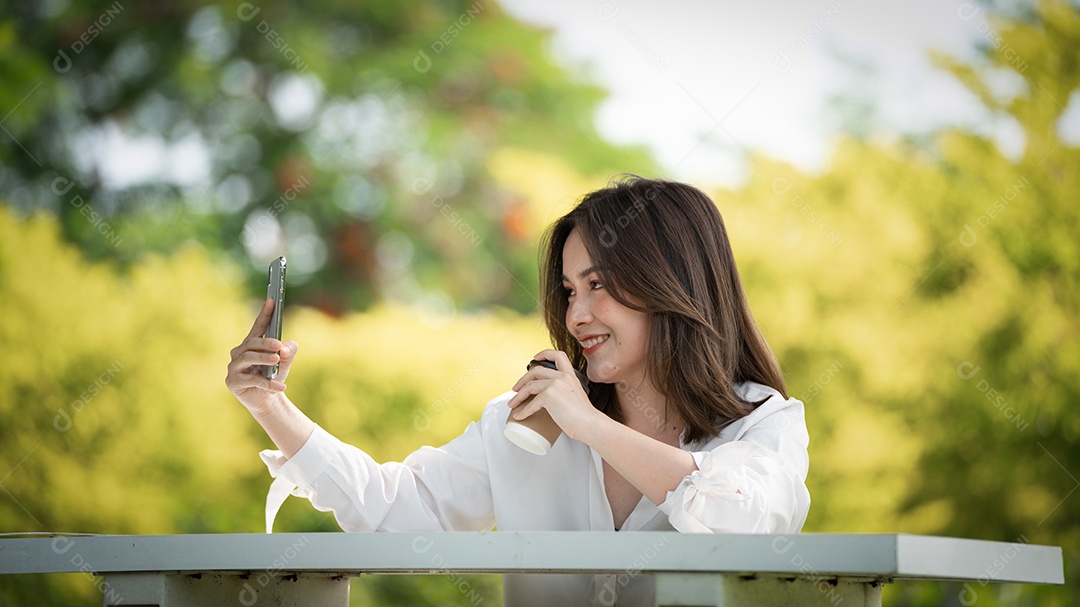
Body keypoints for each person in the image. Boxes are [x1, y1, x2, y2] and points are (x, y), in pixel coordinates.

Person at [226, 176, 810, 606]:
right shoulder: (525, 426)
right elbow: (394, 514)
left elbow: (743, 520)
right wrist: (270, 406)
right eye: (568, 290)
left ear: (672, 284)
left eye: (598, 285)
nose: (576, 314)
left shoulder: (762, 424)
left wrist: (590, 428)